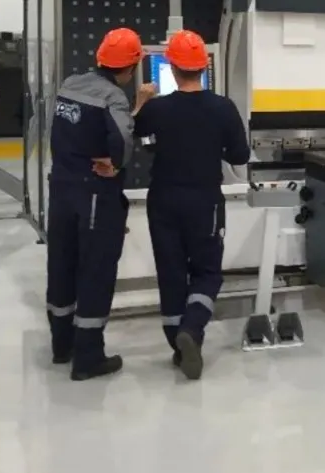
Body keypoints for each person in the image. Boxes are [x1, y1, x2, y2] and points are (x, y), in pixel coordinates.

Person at [134, 29, 250, 380]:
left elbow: (135, 135)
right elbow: (240, 156)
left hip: (163, 199)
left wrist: (141, 102)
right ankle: (193, 328)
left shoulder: (156, 109)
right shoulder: (222, 108)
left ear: (171, 66)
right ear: (204, 67)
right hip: (204, 201)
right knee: (207, 271)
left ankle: (179, 346)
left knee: (171, 272)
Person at [46, 27, 156, 380]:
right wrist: (116, 163)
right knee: (96, 270)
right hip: (94, 193)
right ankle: (89, 357)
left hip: (61, 187)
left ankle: (62, 345)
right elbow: (122, 142)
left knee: (62, 265)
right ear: (131, 67)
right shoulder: (113, 97)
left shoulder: (70, 85)